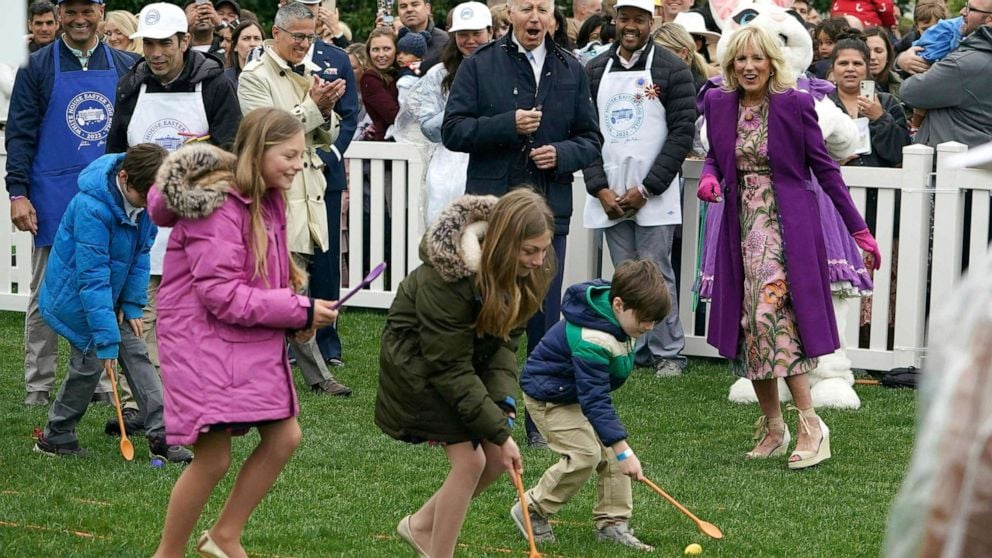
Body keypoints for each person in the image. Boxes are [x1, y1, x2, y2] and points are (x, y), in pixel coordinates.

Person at [147, 108, 338, 558]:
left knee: (284, 437)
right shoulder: (217, 204)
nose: (297, 164)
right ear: (260, 150)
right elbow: (222, 295)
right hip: (203, 346)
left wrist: (299, 313)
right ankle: (168, 552)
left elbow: (257, 283)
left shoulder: (266, 197)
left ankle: (225, 534)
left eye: (301, 155)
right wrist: (296, 309)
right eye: (289, 155)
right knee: (212, 459)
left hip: (238, 343)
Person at [696, 26, 880, 469]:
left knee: (771, 320)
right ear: (730, 65)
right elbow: (716, 158)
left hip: (786, 231)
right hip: (740, 229)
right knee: (749, 323)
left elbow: (826, 168)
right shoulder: (720, 104)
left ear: (772, 63)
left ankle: (812, 425)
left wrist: (859, 231)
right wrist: (708, 176)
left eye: (757, 59)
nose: (748, 67)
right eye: (740, 60)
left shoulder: (795, 104)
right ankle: (775, 427)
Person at [376, 188, 555, 558]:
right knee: (472, 460)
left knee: (492, 459)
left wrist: (502, 406)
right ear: (504, 245)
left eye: (543, 249)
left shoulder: (526, 273)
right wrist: (497, 432)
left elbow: (504, 346)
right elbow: (448, 365)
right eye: (530, 251)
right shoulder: (448, 277)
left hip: (460, 366)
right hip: (419, 368)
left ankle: (422, 525)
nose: (539, 260)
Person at [103, 1, 242, 432]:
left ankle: (201, 403)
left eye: (166, 43)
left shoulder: (215, 83)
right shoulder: (132, 85)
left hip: (199, 223)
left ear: (184, 41)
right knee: (136, 314)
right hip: (141, 222)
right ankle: (138, 404)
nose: (157, 53)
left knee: (197, 320)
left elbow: (233, 152)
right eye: (149, 44)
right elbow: (113, 153)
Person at [6, 0, 139, 408]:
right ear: (60, 12)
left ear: (102, 11)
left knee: (105, 291)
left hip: (110, 197)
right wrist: (17, 193)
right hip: (52, 195)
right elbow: (21, 132)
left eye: (90, 10)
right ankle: (38, 385)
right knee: (47, 292)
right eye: (72, 11)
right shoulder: (37, 66)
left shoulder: (125, 64)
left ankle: (98, 383)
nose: (81, 19)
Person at [31, 143, 192, 464]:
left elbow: (140, 256)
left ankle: (162, 434)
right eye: (144, 196)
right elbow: (92, 279)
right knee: (89, 364)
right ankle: (56, 435)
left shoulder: (148, 201)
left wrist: (132, 304)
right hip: (76, 299)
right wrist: (106, 340)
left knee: (137, 354)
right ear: (123, 178)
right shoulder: (91, 209)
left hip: (110, 296)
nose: (150, 204)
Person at [512, 259, 669, 551]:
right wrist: (625, 452)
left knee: (611, 453)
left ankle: (613, 524)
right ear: (619, 305)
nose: (648, 327)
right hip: (549, 397)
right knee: (586, 454)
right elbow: (595, 399)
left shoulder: (623, 317)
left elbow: (594, 396)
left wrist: (619, 451)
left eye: (654, 322)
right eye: (645, 319)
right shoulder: (594, 338)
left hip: (574, 393)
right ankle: (531, 508)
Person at [238, 1, 351, 397]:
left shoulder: (312, 73)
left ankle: (308, 375)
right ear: (276, 33)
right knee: (279, 291)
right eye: (298, 36)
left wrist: (329, 110)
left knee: (293, 287)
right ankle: (305, 375)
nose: (305, 44)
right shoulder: (253, 77)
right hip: (272, 197)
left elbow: (326, 138)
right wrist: (314, 106)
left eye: (311, 36)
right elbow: (270, 135)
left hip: (308, 194)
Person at [583, 0, 696, 379]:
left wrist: (647, 188)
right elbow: (585, 133)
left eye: (639, 20)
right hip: (610, 195)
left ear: (653, 21)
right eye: (624, 19)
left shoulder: (672, 68)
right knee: (625, 274)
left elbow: (682, 134)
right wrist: (599, 188)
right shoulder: (595, 69)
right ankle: (631, 347)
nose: (630, 26)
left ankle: (668, 351)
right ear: (615, 21)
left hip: (654, 192)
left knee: (656, 271)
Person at [295, 0, 361, 369]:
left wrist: (330, 156)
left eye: (316, 3)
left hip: (323, 172)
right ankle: (287, 336)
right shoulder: (267, 59)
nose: (312, 9)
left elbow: (349, 115)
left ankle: (327, 340)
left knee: (325, 258)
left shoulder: (335, 57)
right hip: (286, 173)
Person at [406, 1, 492, 225]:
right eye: (463, 34)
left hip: (491, 160)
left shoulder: (507, 69)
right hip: (446, 167)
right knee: (444, 235)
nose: (470, 40)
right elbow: (428, 129)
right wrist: (458, 108)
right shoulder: (438, 73)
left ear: (490, 32)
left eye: (477, 33)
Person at [899, 2, 992, 149]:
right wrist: (902, 60)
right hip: (979, 159)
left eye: (970, 8)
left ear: (990, 20)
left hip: (953, 162)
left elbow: (910, 92)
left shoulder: (962, 64)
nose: (962, 12)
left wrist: (905, 60)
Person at [827, 34, 910, 168]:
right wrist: (832, 162)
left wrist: (880, 118)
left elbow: (900, 155)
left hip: (880, 185)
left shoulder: (887, 102)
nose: (850, 68)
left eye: (857, 63)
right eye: (843, 63)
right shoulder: (822, 104)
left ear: (867, 68)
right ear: (833, 68)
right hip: (834, 184)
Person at [382, 0, 449, 69]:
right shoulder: (393, 42)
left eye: (415, 5)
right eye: (403, 6)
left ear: (428, 8)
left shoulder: (446, 42)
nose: (409, 10)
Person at [361, 28, 399, 141]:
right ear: (369, 52)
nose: (381, 54)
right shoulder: (370, 78)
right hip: (387, 144)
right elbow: (392, 115)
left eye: (386, 49)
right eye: (375, 50)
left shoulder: (398, 73)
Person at [653, 20, 711, 91]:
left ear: (683, 53)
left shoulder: (701, 91)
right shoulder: (653, 85)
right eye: (654, 53)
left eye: (664, 53)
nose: (658, 58)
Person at [223, 19, 265, 88]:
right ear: (235, 46)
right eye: (246, 38)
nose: (252, 44)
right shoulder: (225, 79)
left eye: (257, 38)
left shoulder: (274, 75)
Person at [395, 30, 426, 102]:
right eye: (398, 53)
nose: (400, 57)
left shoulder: (408, 78)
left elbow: (404, 104)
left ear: (418, 57)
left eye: (406, 53)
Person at [829, 0, 895, 29]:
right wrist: (888, 24)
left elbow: (832, 9)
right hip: (868, 31)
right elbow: (886, 9)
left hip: (838, 30)